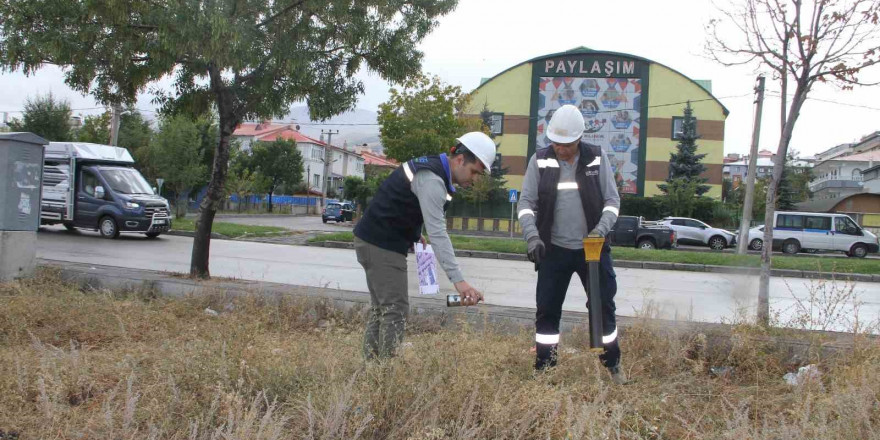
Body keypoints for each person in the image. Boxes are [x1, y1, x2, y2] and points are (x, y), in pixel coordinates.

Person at [353, 132, 497, 360]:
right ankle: (384, 375)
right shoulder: (433, 180)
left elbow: (404, 203)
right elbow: (439, 233)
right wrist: (459, 282)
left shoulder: (432, 169)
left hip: (374, 239)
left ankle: (372, 369)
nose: (475, 180)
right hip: (381, 244)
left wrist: (414, 233)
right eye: (474, 172)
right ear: (460, 160)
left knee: (383, 310)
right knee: (395, 310)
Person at [516, 104, 626, 384]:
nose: (559, 149)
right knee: (547, 311)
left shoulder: (597, 158)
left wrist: (600, 231)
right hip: (553, 250)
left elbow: (613, 202)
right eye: (555, 142)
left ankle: (612, 367)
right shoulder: (540, 160)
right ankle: (544, 370)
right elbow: (526, 203)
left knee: (603, 309)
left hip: (593, 249)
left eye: (565, 144)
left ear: (579, 139)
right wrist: (532, 236)